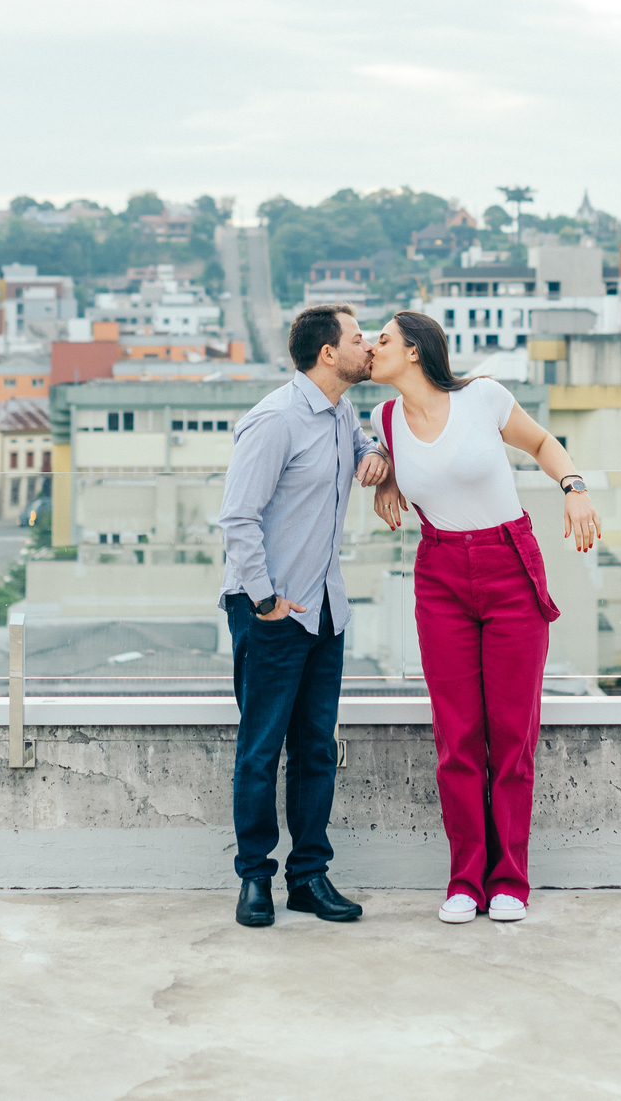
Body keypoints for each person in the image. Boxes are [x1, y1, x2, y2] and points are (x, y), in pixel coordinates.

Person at [370, 311, 600, 924]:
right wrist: (385, 479)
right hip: (440, 571)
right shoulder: (383, 419)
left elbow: (543, 443)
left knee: (511, 732)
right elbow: (404, 466)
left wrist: (574, 488)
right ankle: (465, 879)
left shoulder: (483, 397)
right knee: (457, 737)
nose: (371, 346)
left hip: (508, 565)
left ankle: (510, 880)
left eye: (383, 339)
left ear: (415, 351)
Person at [219, 304, 388, 928]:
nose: (367, 347)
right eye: (358, 338)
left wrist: (376, 455)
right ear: (327, 354)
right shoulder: (274, 421)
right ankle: (254, 879)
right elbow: (237, 518)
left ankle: (309, 878)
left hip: (323, 610)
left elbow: (361, 444)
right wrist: (265, 599)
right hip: (270, 612)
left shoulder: (341, 411)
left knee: (316, 749)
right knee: (261, 752)